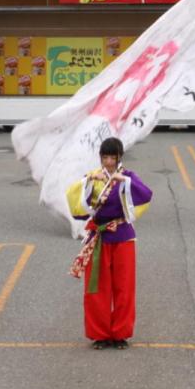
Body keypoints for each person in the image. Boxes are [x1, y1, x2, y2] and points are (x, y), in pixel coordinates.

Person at [66, 137, 153, 350]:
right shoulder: (94, 177)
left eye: (112, 157)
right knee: (97, 287)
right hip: (99, 238)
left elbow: (146, 194)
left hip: (123, 236)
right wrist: (86, 181)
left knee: (123, 287)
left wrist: (126, 181)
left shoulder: (128, 176)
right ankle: (100, 334)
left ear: (119, 157)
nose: (108, 162)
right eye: (105, 157)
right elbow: (74, 200)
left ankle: (121, 333)